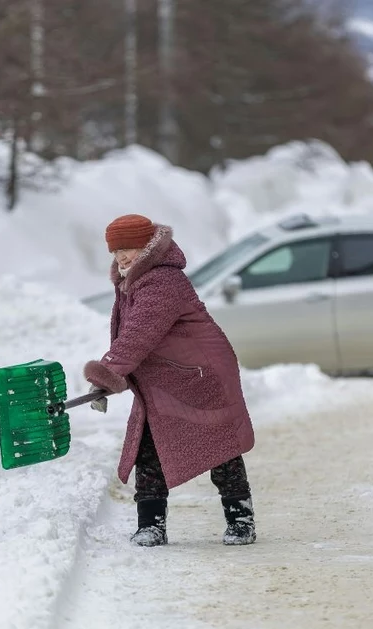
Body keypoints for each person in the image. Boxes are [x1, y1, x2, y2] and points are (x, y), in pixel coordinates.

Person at [83, 214, 257, 547]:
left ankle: (241, 520)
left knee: (221, 446)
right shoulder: (132, 279)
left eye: (129, 247)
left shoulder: (162, 280)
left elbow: (138, 334)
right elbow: (133, 336)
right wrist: (112, 373)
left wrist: (108, 372)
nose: (122, 256)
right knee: (148, 448)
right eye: (116, 250)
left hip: (201, 375)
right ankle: (151, 524)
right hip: (167, 377)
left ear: (148, 246)